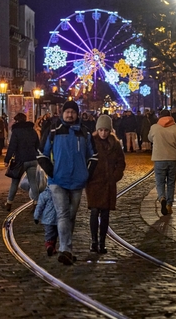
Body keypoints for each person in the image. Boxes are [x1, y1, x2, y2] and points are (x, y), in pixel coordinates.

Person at [38, 100, 97, 266]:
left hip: (78, 181)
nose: (70, 114)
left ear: (77, 114)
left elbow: (94, 155)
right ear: (62, 113)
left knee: (71, 215)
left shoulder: (84, 132)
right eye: (67, 111)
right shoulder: (53, 131)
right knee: (63, 213)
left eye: (73, 112)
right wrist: (51, 171)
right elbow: (41, 153)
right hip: (57, 180)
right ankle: (65, 249)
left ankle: (66, 248)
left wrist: (87, 173)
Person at [87, 114, 126, 254]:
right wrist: (88, 175)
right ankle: (94, 242)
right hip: (94, 182)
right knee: (94, 211)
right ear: (97, 129)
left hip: (108, 183)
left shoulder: (114, 144)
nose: (103, 133)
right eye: (101, 130)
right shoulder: (91, 142)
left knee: (105, 214)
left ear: (110, 130)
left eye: (106, 130)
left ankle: (102, 242)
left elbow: (121, 163)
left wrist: (115, 176)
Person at [148, 109, 176, 216]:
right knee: (171, 183)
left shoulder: (154, 127)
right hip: (173, 159)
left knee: (160, 182)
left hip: (159, 159)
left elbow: (150, 138)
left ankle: (162, 198)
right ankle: (169, 205)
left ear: (160, 117)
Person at [4, 112, 42, 211]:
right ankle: (36, 203)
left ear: (17, 121)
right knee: (33, 182)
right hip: (32, 159)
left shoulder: (16, 131)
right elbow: (37, 145)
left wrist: (7, 160)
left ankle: (9, 203)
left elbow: (12, 146)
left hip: (20, 160)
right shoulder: (32, 131)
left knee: (14, 182)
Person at [34, 187, 58, 256]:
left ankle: (49, 246)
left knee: (49, 234)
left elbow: (39, 206)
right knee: (55, 234)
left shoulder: (44, 194)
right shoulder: (60, 193)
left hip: (47, 220)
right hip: (58, 219)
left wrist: (36, 217)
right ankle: (52, 247)